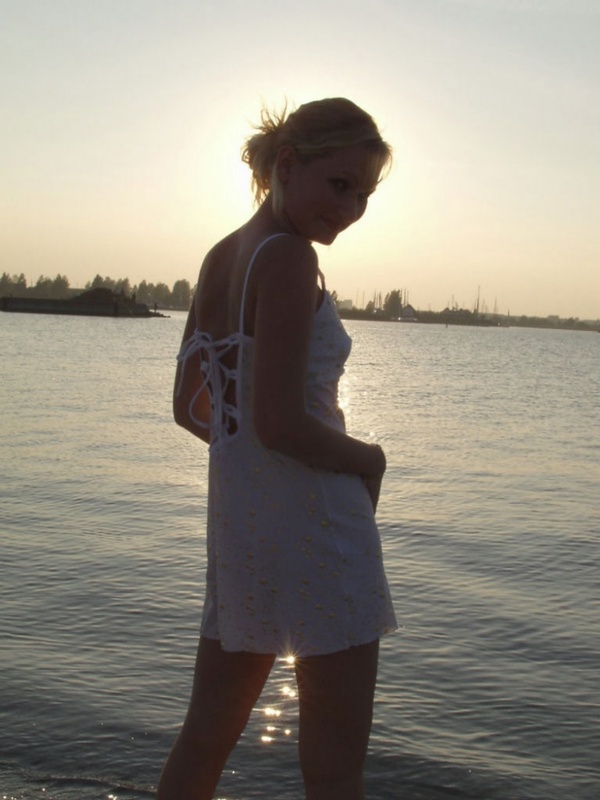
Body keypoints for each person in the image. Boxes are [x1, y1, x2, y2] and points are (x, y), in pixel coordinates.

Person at [157, 97, 397, 800]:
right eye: (340, 184)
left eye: (365, 195)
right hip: (320, 533)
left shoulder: (222, 255)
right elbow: (282, 424)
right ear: (287, 166)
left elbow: (191, 409)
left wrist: (253, 472)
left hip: (246, 534)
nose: (351, 208)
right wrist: (368, 459)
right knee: (335, 768)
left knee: (204, 740)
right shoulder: (289, 257)